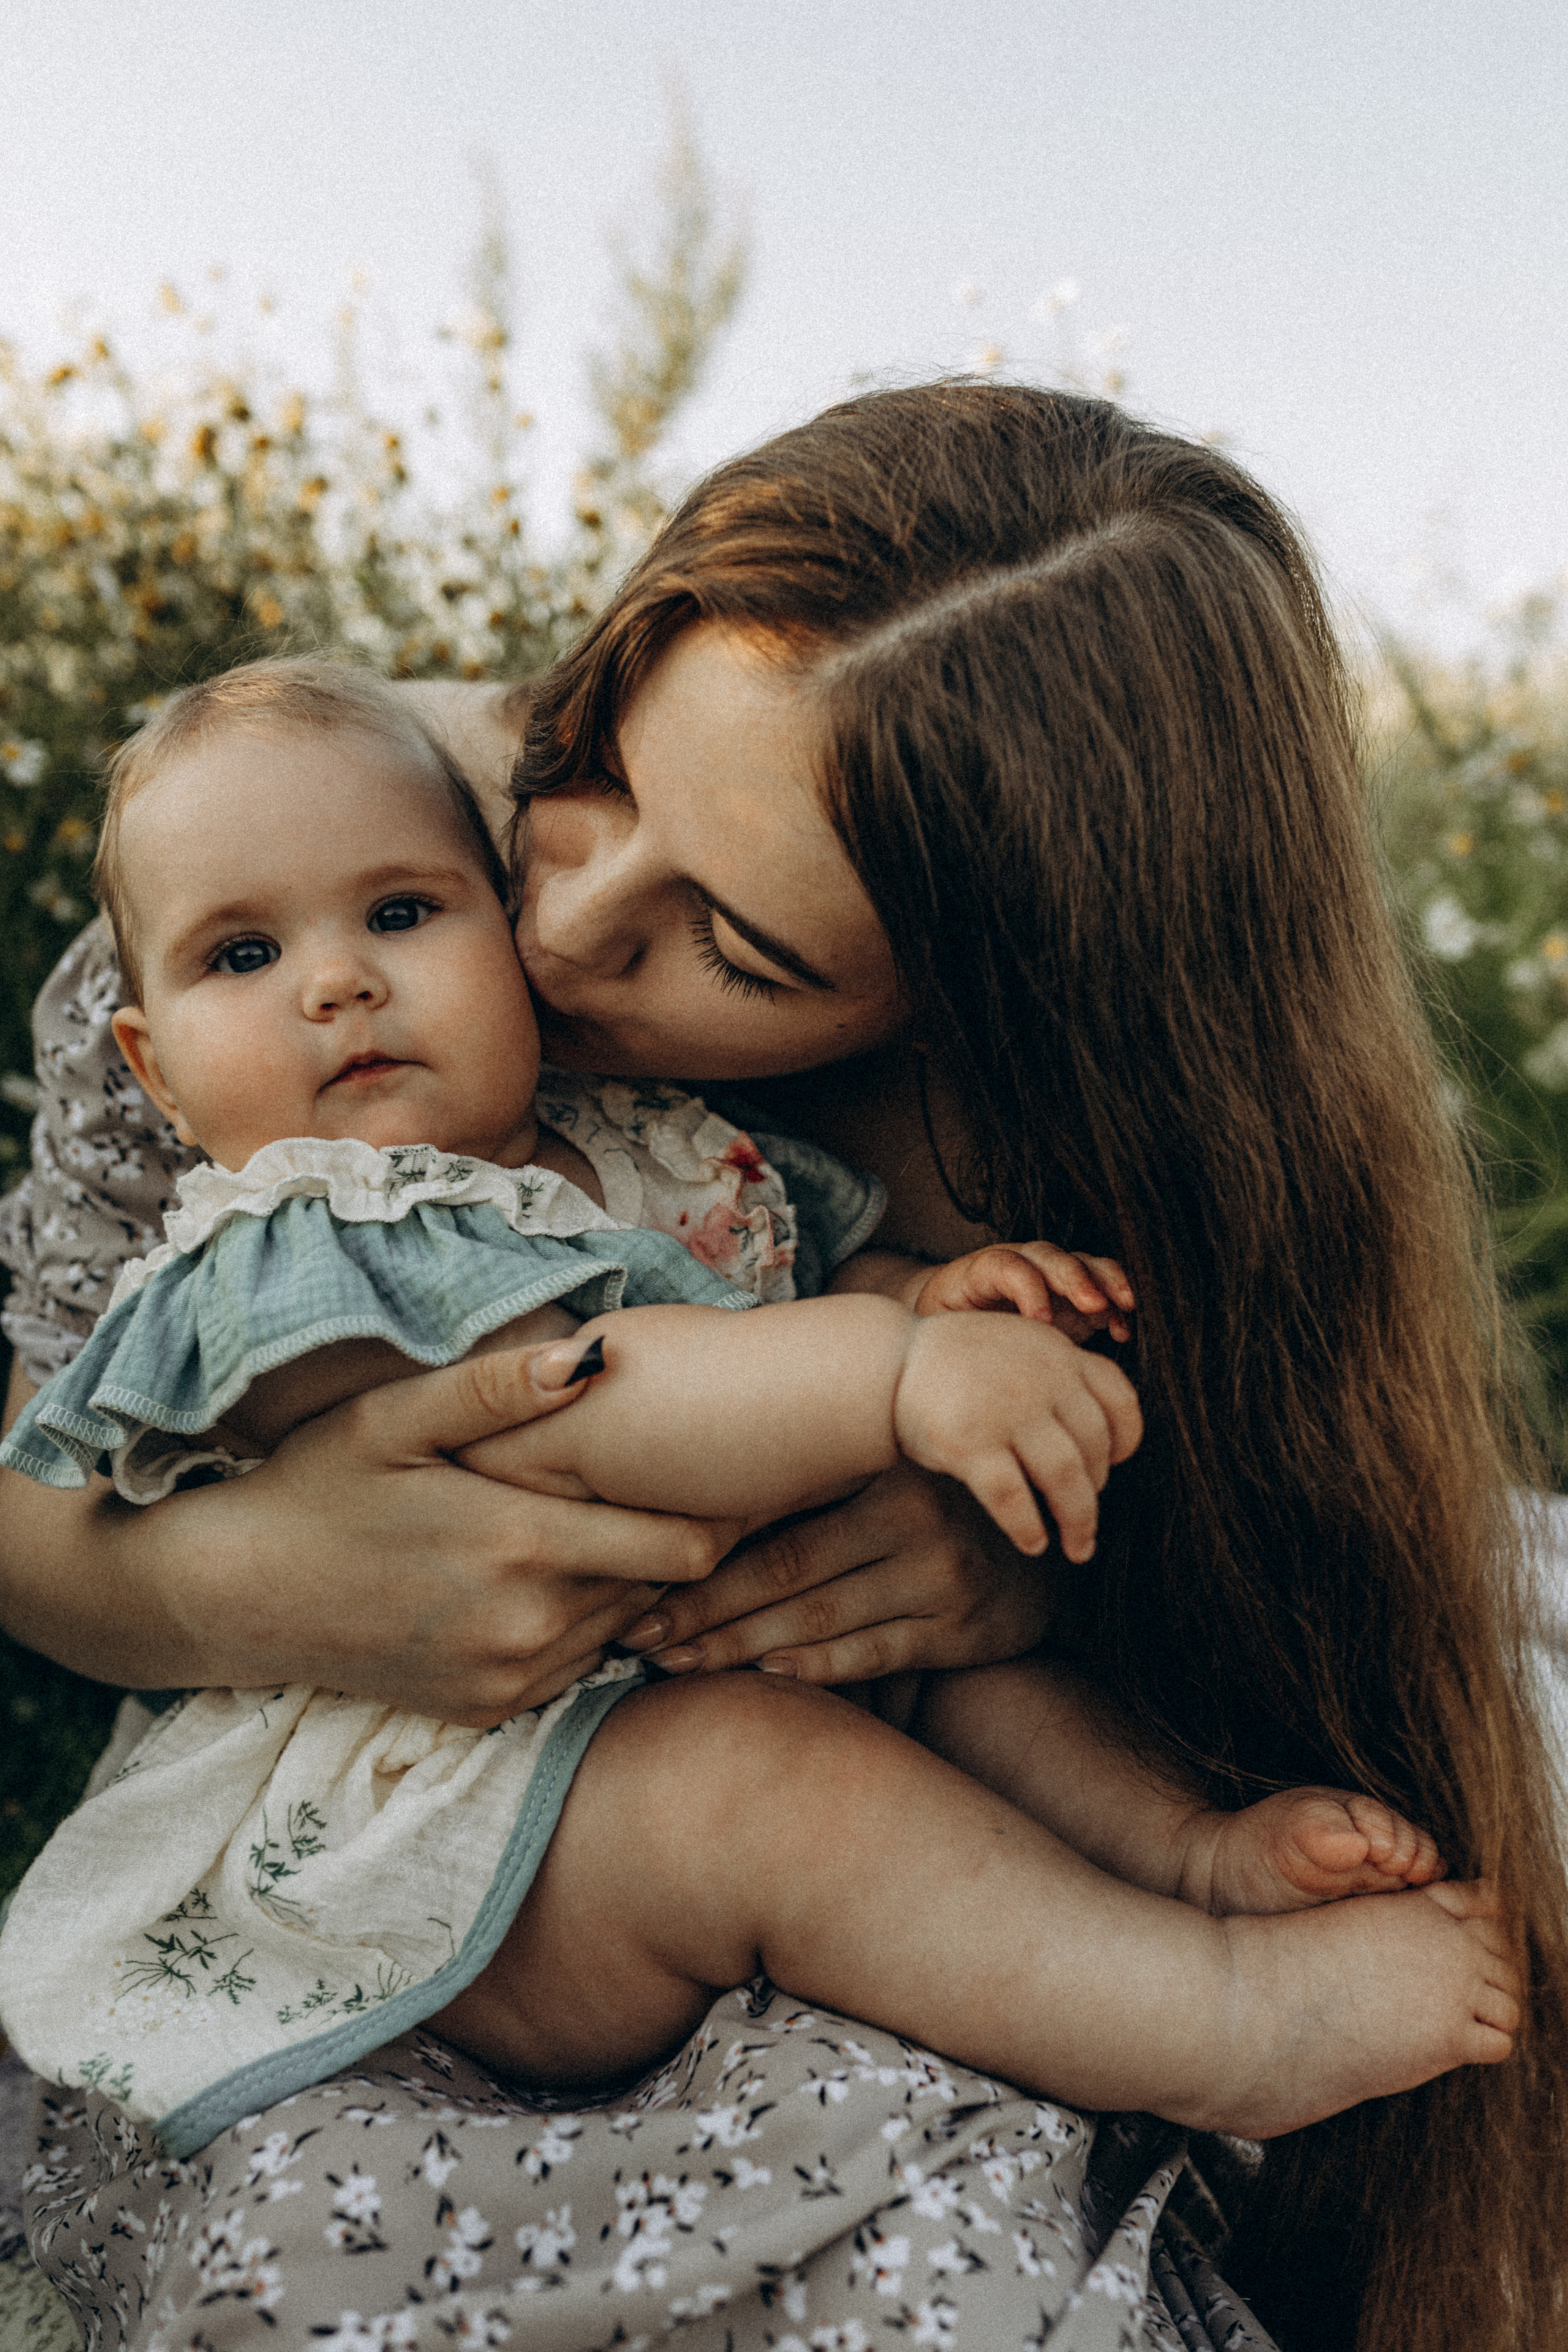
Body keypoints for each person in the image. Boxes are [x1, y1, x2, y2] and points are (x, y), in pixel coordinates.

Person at [3, 382, 1565, 2352]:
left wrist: (978, 1390)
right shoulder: (318, 868)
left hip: (751, 1698)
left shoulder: (932, 1121)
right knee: (777, 1798)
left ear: (973, 1004)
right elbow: (591, 1382)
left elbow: (799, 1272)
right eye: (592, 774)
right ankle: (1222, 2017)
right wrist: (236, 1575)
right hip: (433, 1823)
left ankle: (1178, 1869)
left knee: (959, 1709)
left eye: (736, 949)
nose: (562, 925)